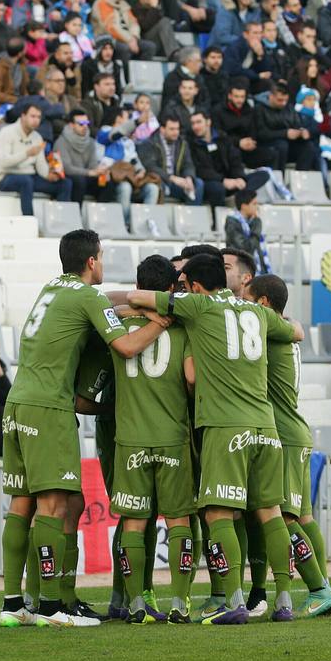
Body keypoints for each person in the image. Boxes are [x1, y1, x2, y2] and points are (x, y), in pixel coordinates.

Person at [0, 230, 166, 628]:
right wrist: (159, 321)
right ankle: (51, 608)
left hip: (17, 402)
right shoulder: (87, 296)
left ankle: (15, 604)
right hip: (47, 407)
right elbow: (125, 348)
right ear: (92, 261)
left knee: (34, 504)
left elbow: (103, 304)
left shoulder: (52, 289)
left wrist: (126, 306)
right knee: (54, 507)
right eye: (102, 257)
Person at [121, 251, 293, 626]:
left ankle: (230, 600)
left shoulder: (197, 307)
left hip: (224, 425)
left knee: (217, 513)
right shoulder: (259, 313)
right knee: (270, 513)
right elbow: (293, 331)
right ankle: (283, 600)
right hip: (266, 426)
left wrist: (148, 311)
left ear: (195, 286)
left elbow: (136, 298)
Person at [106, 255, 198, 623]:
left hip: (129, 439)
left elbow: (107, 299)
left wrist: (134, 307)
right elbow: (191, 380)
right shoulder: (184, 327)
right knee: (178, 522)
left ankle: (137, 604)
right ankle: (179, 602)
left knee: (133, 523)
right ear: (172, 289)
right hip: (173, 436)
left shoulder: (117, 323)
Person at [242, 272, 331, 619]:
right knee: (304, 515)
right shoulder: (284, 329)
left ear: (263, 304)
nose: (241, 307)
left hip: (283, 434)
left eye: (246, 299)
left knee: (283, 516)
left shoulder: (267, 332)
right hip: (295, 431)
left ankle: (318, 588)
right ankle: (323, 586)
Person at [0, 103, 70, 216]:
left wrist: (48, 175)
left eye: (39, 117)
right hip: (6, 176)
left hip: (30, 176)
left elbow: (40, 165)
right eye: (32, 116)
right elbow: (3, 163)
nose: (36, 120)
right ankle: (29, 220)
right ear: (23, 116)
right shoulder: (7, 132)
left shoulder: (37, 137)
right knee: (26, 181)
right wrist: (27, 153)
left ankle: (61, 221)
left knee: (65, 184)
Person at [223, 191, 268, 274]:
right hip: (240, 270)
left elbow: (258, 250)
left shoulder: (251, 222)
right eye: (254, 204)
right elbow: (246, 248)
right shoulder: (232, 222)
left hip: (254, 270)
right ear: (244, 206)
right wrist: (257, 225)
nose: (257, 207)